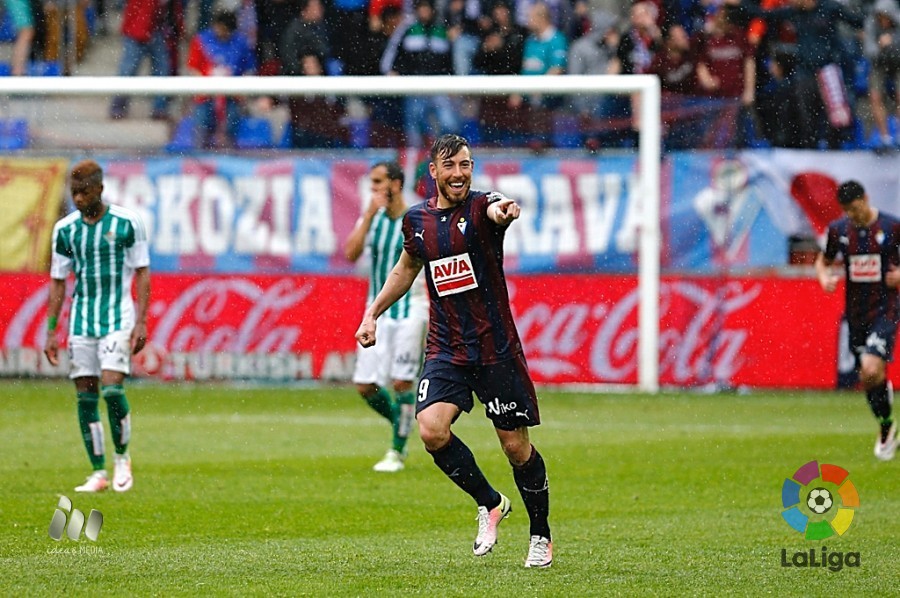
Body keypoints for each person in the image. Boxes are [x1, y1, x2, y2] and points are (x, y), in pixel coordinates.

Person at [355, 134, 552, 568]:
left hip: (495, 348)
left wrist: (507, 210)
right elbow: (406, 269)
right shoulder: (417, 221)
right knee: (431, 429)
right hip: (447, 348)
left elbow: (500, 207)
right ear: (434, 172)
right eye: (451, 167)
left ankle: (540, 534)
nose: (459, 173)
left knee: (515, 448)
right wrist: (373, 313)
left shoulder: (483, 209)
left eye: (465, 165)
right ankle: (490, 502)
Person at [43, 160, 151, 492]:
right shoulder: (65, 230)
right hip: (81, 321)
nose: (77, 198)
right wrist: (51, 330)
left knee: (113, 387)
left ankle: (121, 458)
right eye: (73, 193)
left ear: (100, 190)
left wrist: (142, 320)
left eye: (84, 192)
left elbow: (142, 271)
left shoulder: (127, 223)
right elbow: (58, 282)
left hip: (118, 317)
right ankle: (97, 472)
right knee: (85, 397)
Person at [345, 162, 428, 472]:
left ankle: (397, 449)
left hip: (411, 309)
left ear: (396, 184)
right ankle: (403, 422)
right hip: (375, 312)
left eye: (379, 182)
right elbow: (351, 253)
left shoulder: (415, 219)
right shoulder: (373, 219)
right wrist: (367, 215)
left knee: (402, 381)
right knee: (366, 386)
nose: (374, 188)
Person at [815, 180, 899, 461]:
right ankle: (886, 427)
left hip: (885, 309)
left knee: (871, 367)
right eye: (847, 211)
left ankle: (885, 419)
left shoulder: (891, 227)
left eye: (855, 208)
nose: (852, 215)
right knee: (868, 376)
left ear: (866, 198)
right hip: (856, 315)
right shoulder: (839, 231)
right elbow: (823, 261)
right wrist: (825, 277)